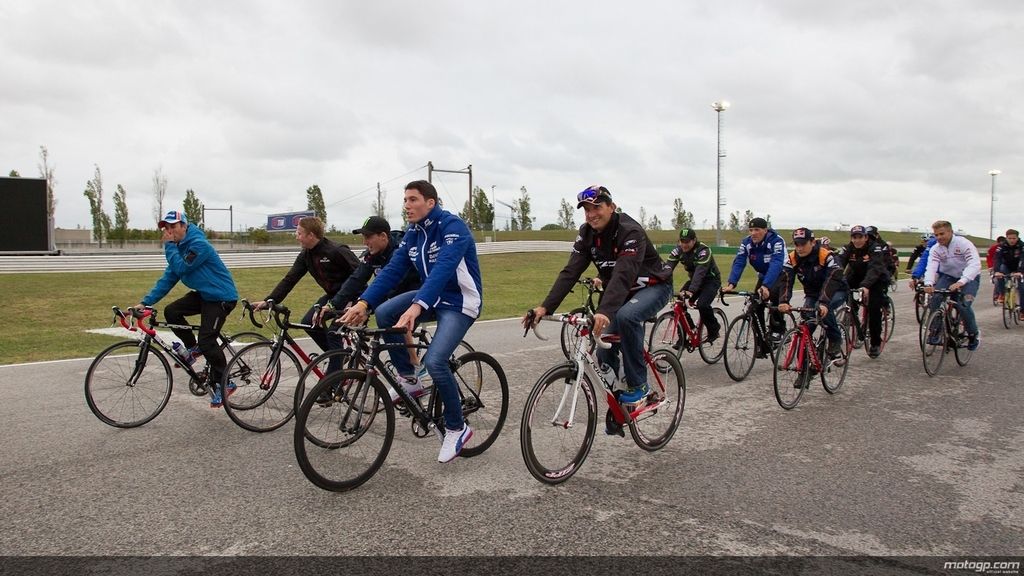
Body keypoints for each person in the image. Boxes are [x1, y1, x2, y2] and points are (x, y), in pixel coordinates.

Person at [339, 180, 482, 464]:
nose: (407, 205)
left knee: (437, 362)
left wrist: (417, 306)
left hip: (459, 300)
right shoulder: (414, 234)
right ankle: (409, 378)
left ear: (431, 202)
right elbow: (392, 271)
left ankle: (457, 427)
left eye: (413, 199)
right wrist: (364, 303)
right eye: (405, 200)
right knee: (385, 312)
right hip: (432, 296)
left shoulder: (453, 227)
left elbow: (443, 270)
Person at [523, 185, 672, 409]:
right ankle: (620, 405)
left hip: (654, 287)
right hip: (622, 291)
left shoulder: (630, 231)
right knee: (604, 350)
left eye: (597, 207)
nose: (591, 214)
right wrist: (545, 307)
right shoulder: (586, 234)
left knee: (626, 317)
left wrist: (604, 311)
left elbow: (623, 275)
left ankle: (640, 385)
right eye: (586, 210)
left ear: (612, 207)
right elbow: (570, 272)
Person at [136, 210, 239, 408]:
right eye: (166, 228)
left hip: (221, 297)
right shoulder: (178, 249)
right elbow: (167, 279)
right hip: (204, 294)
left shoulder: (198, 245)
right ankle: (193, 349)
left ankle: (225, 382)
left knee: (207, 339)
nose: (169, 231)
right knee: (171, 311)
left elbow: (182, 268)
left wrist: (168, 247)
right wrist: (145, 302)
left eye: (173, 226)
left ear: (184, 225)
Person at [252, 216, 360, 374]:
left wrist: (357, 301)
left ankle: (331, 385)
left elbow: (360, 275)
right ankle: (339, 355)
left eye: (299, 233)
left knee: (333, 333)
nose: (296, 236)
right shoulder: (306, 255)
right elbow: (290, 279)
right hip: (333, 296)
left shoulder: (337, 250)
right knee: (309, 322)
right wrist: (270, 300)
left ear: (311, 235)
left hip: (353, 296)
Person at [777, 228, 848, 361]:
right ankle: (806, 368)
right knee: (806, 325)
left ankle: (835, 340)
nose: (799, 248)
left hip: (836, 289)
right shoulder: (792, 258)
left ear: (813, 242)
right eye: (796, 244)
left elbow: (833, 278)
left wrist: (824, 302)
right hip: (813, 293)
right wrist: (783, 301)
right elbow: (786, 279)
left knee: (823, 310)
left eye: (803, 244)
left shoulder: (826, 255)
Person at [723, 217, 787, 351]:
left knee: (774, 297)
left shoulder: (776, 240)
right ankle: (763, 343)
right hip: (764, 275)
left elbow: (776, 263)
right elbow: (740, 262)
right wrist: (731, 283)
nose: (753, 233)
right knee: (755, 306)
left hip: (782, 273)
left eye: (757, 230)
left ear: (765, 230)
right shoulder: (746, 243)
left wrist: (766, 286)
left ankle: (778, 330)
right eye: (751, 230)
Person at [922, 220, 982, 351]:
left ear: (951, 232)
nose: (938, 237)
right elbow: (931, 267)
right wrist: (929, 283)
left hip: (969, 277)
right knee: (936, 299)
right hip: (948, 276)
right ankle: (935, 331)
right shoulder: (935, 249)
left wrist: (962, 281)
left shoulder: (964, 243)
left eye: (941, 234)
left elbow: (975, 264)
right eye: (936, 235)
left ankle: (973, 334)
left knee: (963, 305)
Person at [834, 225, 890, 358]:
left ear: (866, 237)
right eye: (854, 237)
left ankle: (875, 342)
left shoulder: (875, 248)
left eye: (860, 237)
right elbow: (839, 263)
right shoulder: (848, 248)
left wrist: (865, 286)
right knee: (844, 291)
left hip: (876, 278)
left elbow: (875, 268)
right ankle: (854, 319)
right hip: (856, 275)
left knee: (874, 307)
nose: (857, 240)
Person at [665, 227, 722, 344]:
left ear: (694, 240)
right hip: (694, 281)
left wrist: (691, 291)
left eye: (687, 242)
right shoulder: (678, 250)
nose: (684, 245)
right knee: (679, 304)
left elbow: (700, 272)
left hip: (710, 281)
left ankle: (714, 329)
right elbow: (667, 268)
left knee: (702, 305)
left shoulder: (704, 250)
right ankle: (685, 334)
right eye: (682, 241)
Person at [993, 229, 1024, 319]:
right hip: (1007, 266)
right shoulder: (1001, 246)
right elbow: (997, 259)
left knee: (1022, 287)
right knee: (1000, 272)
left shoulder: (1022, 246)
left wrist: (1020, 271)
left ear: (1017, 238)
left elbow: (1023, 259)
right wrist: (997, 271)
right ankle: (1002, 294)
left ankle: (1022, 311)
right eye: (1009, 238)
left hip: (1020, 267)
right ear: (1006, 238)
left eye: (1014, 238)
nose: (1011, 240)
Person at [988, 235, 1008, 305]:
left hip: (1004, 267)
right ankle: (998, 294)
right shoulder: (993, 248)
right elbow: (989, 258)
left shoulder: (1006, 247)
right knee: (996, 280)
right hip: (995, 267)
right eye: (1000, 242)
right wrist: (990, 267)